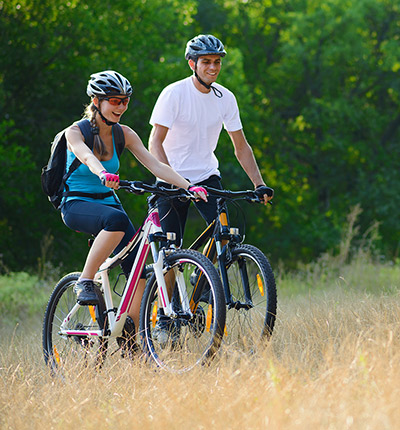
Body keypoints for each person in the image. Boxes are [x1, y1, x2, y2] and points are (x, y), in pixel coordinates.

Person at [60, 70, 207, 338]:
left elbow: (155, 164)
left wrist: (188, 186)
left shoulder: (124, 134)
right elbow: (84, 156)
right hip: (76, 204)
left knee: (139, 270)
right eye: (114, 100)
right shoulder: (75, 131)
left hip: (108, 205)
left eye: (125, 101)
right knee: (115, 222)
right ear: (96, 100)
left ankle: (131, 339)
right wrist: (102, 173)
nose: (121, 107)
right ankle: (85, 280)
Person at [148, 34, 273, 247]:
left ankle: (204, 277)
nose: (213, 67)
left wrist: (259, 183)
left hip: (206, 176)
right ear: (192, 63)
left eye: (217, 62)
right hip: (172, 179)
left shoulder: (226, 98)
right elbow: (155, 143)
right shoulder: (174, 93)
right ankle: (173, 274)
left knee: (224, 237)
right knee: (171, 251)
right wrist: (171, 178)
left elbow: (241, 147)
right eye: (206, 62)